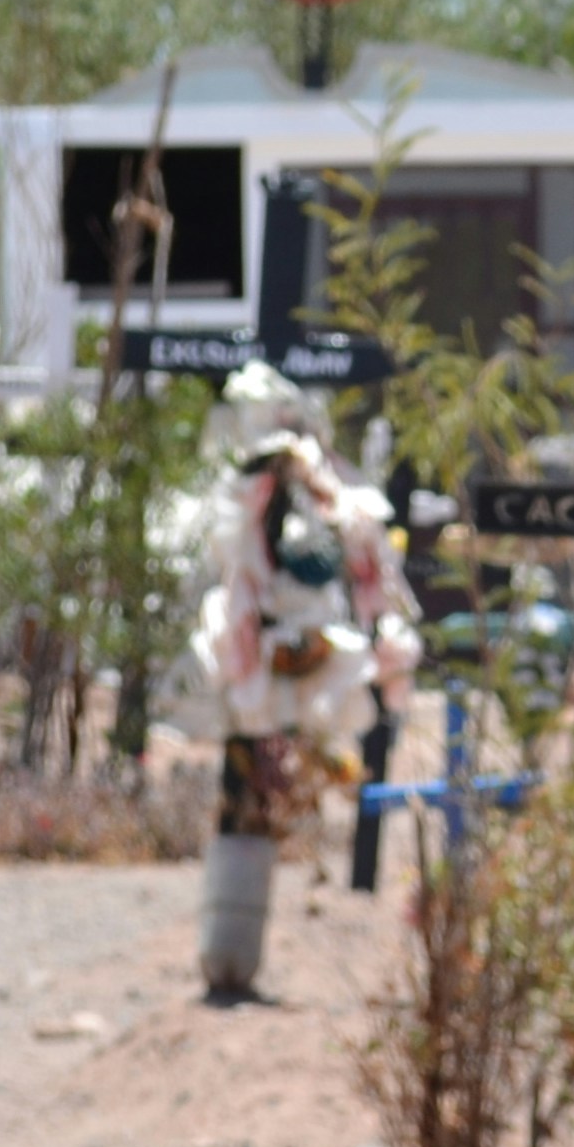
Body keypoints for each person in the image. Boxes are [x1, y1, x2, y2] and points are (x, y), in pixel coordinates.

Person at [191, 368, 416, 999]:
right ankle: (228, 959)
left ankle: (233, 957)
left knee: (277, 771)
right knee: (250, 789)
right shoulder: (252, 511)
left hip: (300, 656)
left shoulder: (330, 510)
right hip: (272, 659)